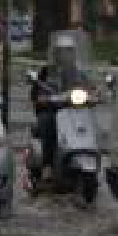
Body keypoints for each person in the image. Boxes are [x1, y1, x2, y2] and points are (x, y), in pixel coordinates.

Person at [30, 33, 90, 184]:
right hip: (52, 110)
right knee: (48, 122)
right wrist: (42, 98)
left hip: (75, 111)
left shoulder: (79, 72)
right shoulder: (46, 71)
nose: (66, 55)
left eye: (69, 51)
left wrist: (96, 94)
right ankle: (47, 165)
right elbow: (36, 91)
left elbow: (90, 87)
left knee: (87, 125)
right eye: (62, 51)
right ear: (56, 53)